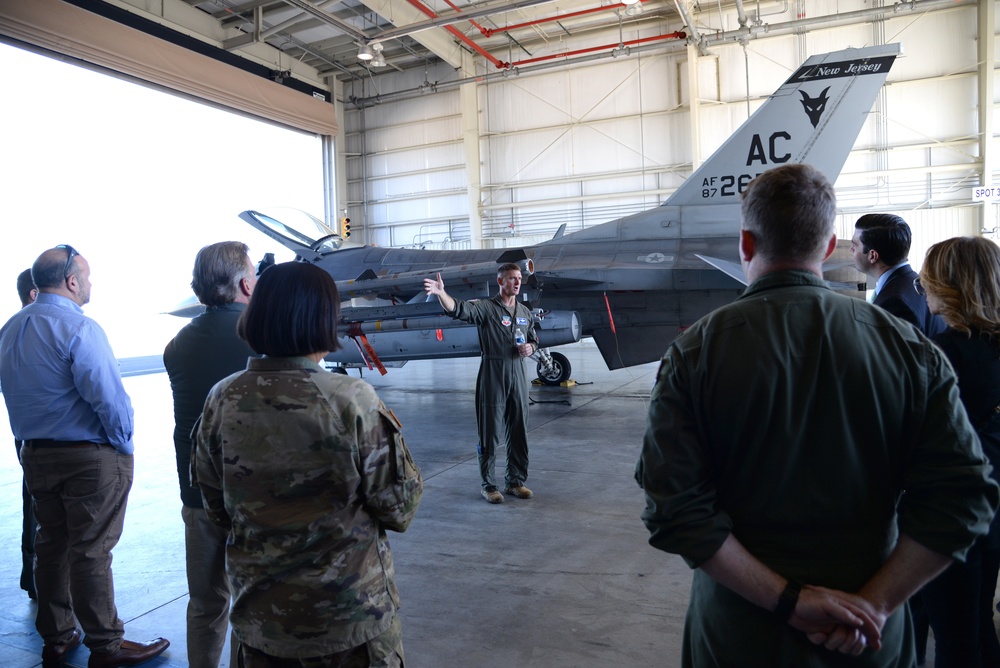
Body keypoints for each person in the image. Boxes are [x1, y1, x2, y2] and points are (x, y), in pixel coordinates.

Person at [635, 164, 999, 667]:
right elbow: (964, 496)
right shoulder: (908, 348)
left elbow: (673, 510)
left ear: (745, 243)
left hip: (740, 638)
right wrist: (876, 603)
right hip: (867, 638)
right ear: (829, 246)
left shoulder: (695, 352)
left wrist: (790, 601)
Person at [193, 261, 423, 667]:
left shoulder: (221, 398)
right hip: (348, 625)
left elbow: (217, 508)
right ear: (324, 318)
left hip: (262, 624)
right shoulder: (351, 398)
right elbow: (398, 507)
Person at [0, 246, 170, 667]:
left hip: (35, 455)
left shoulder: (10, 329)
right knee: (92, 550)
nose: (90, 284)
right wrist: (123, 445)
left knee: (51, 544)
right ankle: (106, 645)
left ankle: (57, 636)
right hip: (87, 457)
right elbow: (108, 398)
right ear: (72, 281)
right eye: (87, 277)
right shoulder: (79, 328)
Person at [163, 241, 257, 668]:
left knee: (205, 602)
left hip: (197, 493)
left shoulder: (177, 344)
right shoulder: (260, 336)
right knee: (250, 601)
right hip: (250, 495)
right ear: (244, 283)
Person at [916, 236, 1000, 668]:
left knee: (954, 640)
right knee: (979, 624)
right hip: (993, 512)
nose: (922, 286)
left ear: (947, 285)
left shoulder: (941, 355)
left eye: (926, 279)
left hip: (950, 519)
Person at [423, 263, 538, 504]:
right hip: (493, 371)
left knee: (519, 429)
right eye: (511, 279)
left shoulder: (525, 312)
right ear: (500, 282)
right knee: (490, 431)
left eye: (519, 278)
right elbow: (459, 310)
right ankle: (489, 485)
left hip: (518, 371)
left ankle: (515, 481)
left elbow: (534, 339)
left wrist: (531, 347)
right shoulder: (486, 308)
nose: (516, 282)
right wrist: (442, 293)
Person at [851, 213, 946, 336]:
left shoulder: (894, 303)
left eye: (854, 245)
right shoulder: (916, 283)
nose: (851, 249)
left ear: (872, 256)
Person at [13, 267, 37, 601]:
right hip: (52, 440)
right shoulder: (39, 331)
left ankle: (31, 576)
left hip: (25, 436)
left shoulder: (10, 332)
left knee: (31, 503)